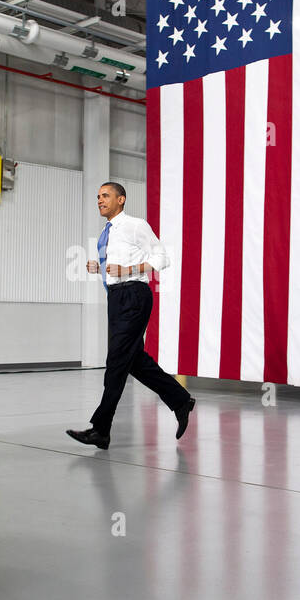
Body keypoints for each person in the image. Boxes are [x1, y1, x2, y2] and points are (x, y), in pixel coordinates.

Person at [67, 182, 195, 450]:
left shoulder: (135, 225)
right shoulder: (106, 231)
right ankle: (180, 400)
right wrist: (98, 267)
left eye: (105, 195)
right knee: (133, 361)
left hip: (134, 295)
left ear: (121, 199)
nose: (100, 200)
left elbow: (162, 258)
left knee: (115, 360)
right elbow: (114, 267)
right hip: (116, 298)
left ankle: (101, 429)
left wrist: (129, 269)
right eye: (98, 197)